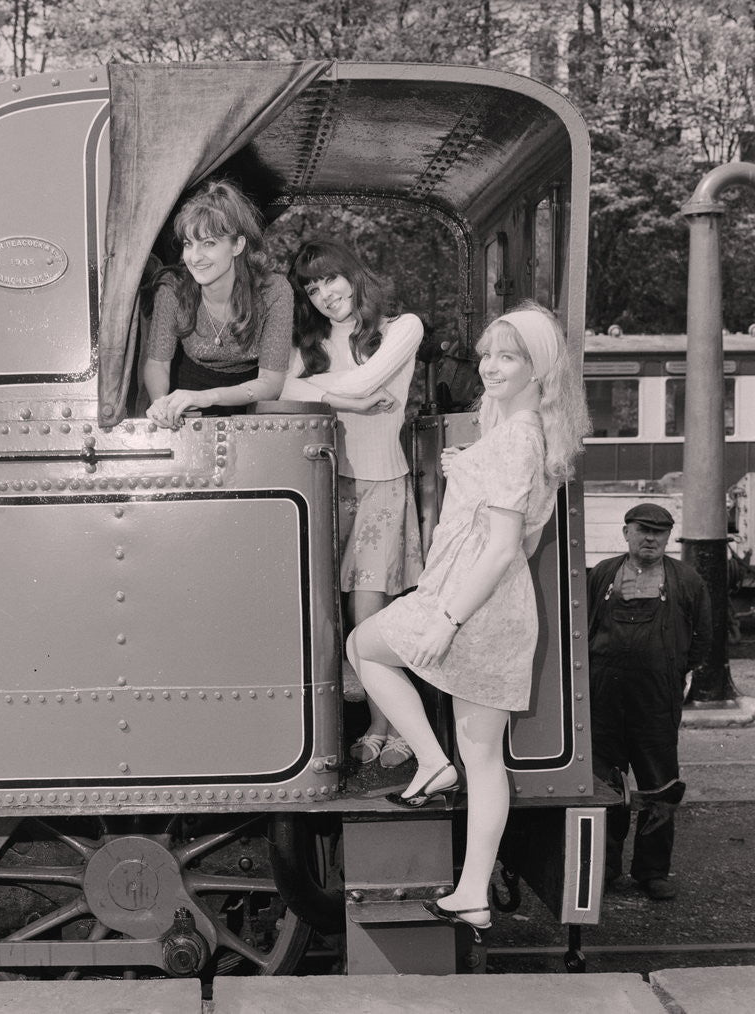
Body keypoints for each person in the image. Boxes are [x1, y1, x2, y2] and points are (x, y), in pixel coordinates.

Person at [347, 301, 590, 941]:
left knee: (365, 646)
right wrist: (469, 472)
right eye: (487, 354)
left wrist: (448, 618)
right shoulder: (522, 433)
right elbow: (515, 534)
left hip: (473, 604)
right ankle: (472, 894)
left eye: (507, 356)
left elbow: (508, 546)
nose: (489, 366)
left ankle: (430, 762)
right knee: (484, 757)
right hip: (495, 605)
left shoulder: (517, 438)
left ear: (539, 368)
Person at [279, 239, 424, 769]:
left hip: (382, 483)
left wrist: (324, 388)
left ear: (353, 273)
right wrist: (353, 399)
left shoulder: (402, 328)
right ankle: (362, 727)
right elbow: (278, 390)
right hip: (325, 484)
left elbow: (347, 380)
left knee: (370, 616)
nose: (323, 295)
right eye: (312, 289)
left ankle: (392, 729)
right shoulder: (309, 341)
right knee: (327, 614)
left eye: (330, 280)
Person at [587, 502, 712, 901]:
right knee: (605, 786)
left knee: (660, 786)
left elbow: (703, 639)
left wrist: (671, 673)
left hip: (657, 701)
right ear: (626, 532)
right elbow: (581, 627)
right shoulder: (603, 574)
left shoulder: (687, 581)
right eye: (643, 530)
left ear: (668, 537)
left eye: (660, 532)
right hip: (603, 697)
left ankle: (652, 871)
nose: (651, 538)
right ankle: (604, 869)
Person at [143, 180, 292, 428]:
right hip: (186, 393)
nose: (194, 257)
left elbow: (271, 384)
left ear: (237, 245)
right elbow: (158, 363)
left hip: (251, 400)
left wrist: (206, 398)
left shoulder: (273, 292)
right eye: (189, 244)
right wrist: (162, 405)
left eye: (209, 243)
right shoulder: (173, 289)